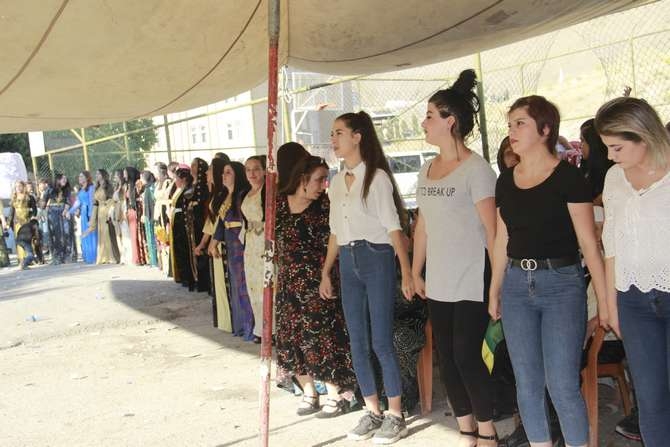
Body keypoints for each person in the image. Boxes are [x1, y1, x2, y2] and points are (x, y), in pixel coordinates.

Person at [489, 95, 607, 447]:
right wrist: (494, 290)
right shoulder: (506, 181)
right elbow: (500, 241)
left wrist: (604, 303)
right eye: (510, 124)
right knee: (527, 384)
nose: (512, 131)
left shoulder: (568, 178)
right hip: (514, 287)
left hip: (561, 285)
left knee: (562, 384)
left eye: (520, 123)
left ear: (545, 129)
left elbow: (589, 244)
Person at [412, 69, 499, 446]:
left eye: (431, 115)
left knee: (468, 357)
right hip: (440, 278)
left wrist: (497, 284)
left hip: (473, 277)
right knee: (447, 359)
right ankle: (467, 432)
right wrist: (415, 271)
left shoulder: (477, 170)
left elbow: (494, 231)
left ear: (450, 121)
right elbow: (422, 226)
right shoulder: (426, 169)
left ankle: (488, 433)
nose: (424, 122)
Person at [319, 111, 414, 444]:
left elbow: (393, 228)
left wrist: (405, 271)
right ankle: (372, 409)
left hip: (376, 257)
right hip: (348, 258)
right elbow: (334, 231)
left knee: (381, 341)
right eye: (333, 134)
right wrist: (325, 271)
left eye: (339, 133)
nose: (334, 139)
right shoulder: (335, 181)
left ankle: (396, 414)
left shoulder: (376, 178)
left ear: (358, 136)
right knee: (356, 341)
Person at [596, 97, 670, 447]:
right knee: (650, 399)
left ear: (643, 135)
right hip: (633, 302)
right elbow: (611, 242)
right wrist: (609, 305)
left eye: (617, 147)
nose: (611, 156)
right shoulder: (614, 179)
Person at [276, 155, 357, 417]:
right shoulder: (278, 204)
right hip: (288, 283)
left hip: (318, 282)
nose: (324, 185)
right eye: (319, 179)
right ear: (302, 180)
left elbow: (335, 241)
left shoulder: (325, 206)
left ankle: (335, 395)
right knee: (293, 339)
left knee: (322, 338)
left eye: (325, 179)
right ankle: (309, 392)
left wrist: (326, 275)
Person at [212, 162, 255, 341]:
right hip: (229, 244)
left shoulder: (241, 195)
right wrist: (214, 243)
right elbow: (221, 223)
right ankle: (240, 326)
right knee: (236, 286)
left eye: (228, 172)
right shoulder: (226, 197)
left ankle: (251, 328)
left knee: (244, 286)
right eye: (223, 173)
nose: (224, 176)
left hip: (240, 243)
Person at [201, 158, 232, 331]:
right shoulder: (217, 194)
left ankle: (227, 321)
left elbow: (219, 223)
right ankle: (224, 320)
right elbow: (211, 222)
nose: (207, 172)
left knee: (224, 283)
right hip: (216, 242)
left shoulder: (224, 195)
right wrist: (204, 243)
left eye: (211, 169)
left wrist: (210, 242)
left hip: (222, 242)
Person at [241, 155, 267, 342]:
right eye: (248, 170)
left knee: (268, 284)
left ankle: (272, 328)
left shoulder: (268, 192)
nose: (252, 173)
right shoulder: (246, 193)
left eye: (256, 169)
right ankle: (260, 327)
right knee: (253, 285)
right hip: (250, 243)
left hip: (264, 242)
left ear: (265, 170)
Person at [85, 170, 120, 264]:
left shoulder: (108, 187)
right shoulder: (96, 187)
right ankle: (104, 256)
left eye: (98, 174)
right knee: (102, 235)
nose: (96, 175)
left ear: (103, 175)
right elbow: (95, 203)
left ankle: (112, 256)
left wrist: (109, 210)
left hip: (107, 211)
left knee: (108, 234)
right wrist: (93, 219)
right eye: (95, 174)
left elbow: (112, 199)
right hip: (100, 213)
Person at [186, 158, 210, 291]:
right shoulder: (190, 184)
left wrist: (194, 205)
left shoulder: (203, 185)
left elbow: (202, 204)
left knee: (200, 249)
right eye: (191, 164)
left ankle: (202, 281)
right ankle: (194, 278)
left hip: (199, 222)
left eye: (194, 165)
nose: (192, 167)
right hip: (190, 222)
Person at [579, 118, 614, 205]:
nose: (580, 145)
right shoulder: (586, 167)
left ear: (594, 144)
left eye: (583, 141)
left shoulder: (611, 173)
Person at [170, 168, 195, 289]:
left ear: (184, 179)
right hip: (176, 221)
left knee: (183, 249)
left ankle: (186, 277)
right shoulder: (179, 189)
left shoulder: (188, 190)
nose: (176, 181)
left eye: (177, 179)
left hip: (181, 222)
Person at [69, 171, 97, 264]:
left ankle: (94, 256)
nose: (79, 178)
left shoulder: (91, 188)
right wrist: (70, 211)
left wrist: (91, 217)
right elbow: (77, 203)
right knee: (85, 234)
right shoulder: (81, 190)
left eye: (81, 176)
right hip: (83, 215)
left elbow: (91, 202)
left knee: (91, 234)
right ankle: (87, 256)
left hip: (89, 213)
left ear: (87, 178)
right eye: (79, 176)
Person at [46, 174, 73, 265]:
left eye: (66, 178)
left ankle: (67, 255)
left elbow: (68, 201)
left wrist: (65, 210)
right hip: (52, 211)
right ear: (58, 180)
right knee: (54, 234)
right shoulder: (50, 188)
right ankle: (56, 256)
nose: (65, 179)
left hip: (63, 210)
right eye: (62, 178)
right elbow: (44, 200)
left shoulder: (67, 189)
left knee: (66, 233)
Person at [8, 180, 37, 265]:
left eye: (20, 186)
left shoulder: (29, 197)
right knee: (20, 242)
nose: (18, 188)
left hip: (27, 221)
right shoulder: (14, 198)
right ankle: (22, 260)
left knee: (28, 240)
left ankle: (30, 258)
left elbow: (34, 209)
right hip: (18, 223)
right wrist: (8, 223)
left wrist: (32, 217)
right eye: (17, 186)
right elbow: (11, 212)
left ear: (23, 186)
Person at [153, 162, 172, 272]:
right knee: (159, 237)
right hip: (157, 212)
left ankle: (168, 264)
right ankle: (163, 263)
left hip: (164, 212)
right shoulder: (157, 184)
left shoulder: (167, 182)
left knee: (165, 237)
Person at [124, 167, 145, 265]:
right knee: (133, 236)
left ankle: (140, 258)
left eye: (125, 173)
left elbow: (140, 197)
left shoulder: (137, 184)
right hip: (129, 211)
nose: (124, 175)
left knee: (137, 235)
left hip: (136, 211)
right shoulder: (127, 185)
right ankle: (135, 257)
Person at [112, 169, 131, 265]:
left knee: (125, 233)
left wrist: (124, 212)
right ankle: (122, 256)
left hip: (122, 210)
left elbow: (124, 200)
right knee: (118, 235)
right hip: (116, 211)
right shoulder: (116, 187)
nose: (114, 177)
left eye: (116, 175)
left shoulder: (124, 187)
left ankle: (129, 256)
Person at [140, 171, 158, 267]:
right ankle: (153, 259)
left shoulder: (149, 188)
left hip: (150, 215)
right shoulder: (149, 187)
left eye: (141, 178)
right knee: (151, 237)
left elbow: (149, 203)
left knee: (152, 238)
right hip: (150, 214)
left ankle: (154, 260)